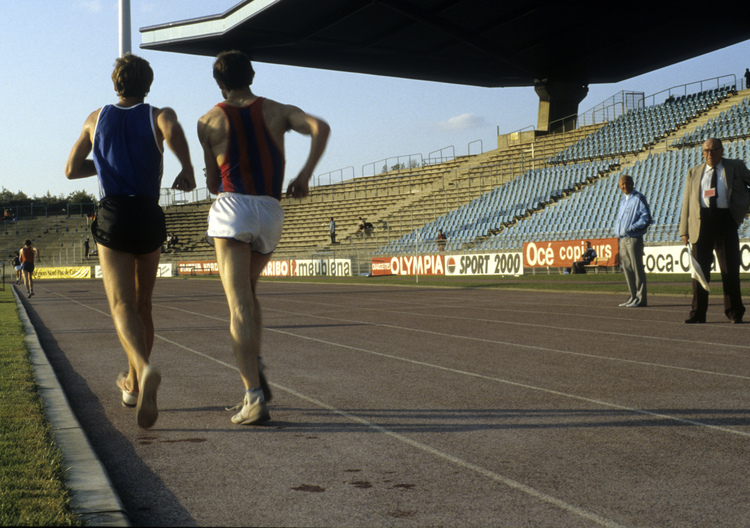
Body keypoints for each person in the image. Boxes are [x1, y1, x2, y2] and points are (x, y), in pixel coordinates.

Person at [198, 50, 330, 425]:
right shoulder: (278, 110)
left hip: (232, 206)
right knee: (251, 293)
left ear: (219, 83)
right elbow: (321, 128)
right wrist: (304, 174)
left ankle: (253, 395)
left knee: (238, 302)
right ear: (252, 75)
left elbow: (212, 181)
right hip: (270, 210)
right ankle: (254, 366)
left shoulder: (208, 120)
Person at [65, 53, 196, 428]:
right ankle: (134, 386)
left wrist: (104, 164)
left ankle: (140, 368)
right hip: (148, 212)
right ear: (147, 85)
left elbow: (71, 170)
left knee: (121, 303)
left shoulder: (95, 118)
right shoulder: (158, 113)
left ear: (115, 84)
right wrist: (186, 167)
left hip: (114, 212)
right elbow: (173, 130)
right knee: (144, 304)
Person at [679, 138, 750, 324]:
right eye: (706, 151)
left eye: (713, 150)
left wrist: (744, 205)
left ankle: (734, 312)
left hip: (726, 222)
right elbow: (686, 202)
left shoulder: (735, 166)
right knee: (699, 273)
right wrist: (683, 231)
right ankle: (697, 313)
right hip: (700, 225)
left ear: (721, 150)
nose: (709, 154)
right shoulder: (694, 172)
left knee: (730, 271)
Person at [615, 174, 651, 307]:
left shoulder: (638, 197)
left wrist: (632, 228)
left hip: (634, 238)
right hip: (623, 240)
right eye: (622, 184)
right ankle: (633, 296)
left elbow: (646, 217)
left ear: (632, 183)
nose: (625, 186)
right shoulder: (623, 201)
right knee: (628, 270)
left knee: (637, 269)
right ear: (619, 186)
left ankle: (641, 299)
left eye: (627, 183)